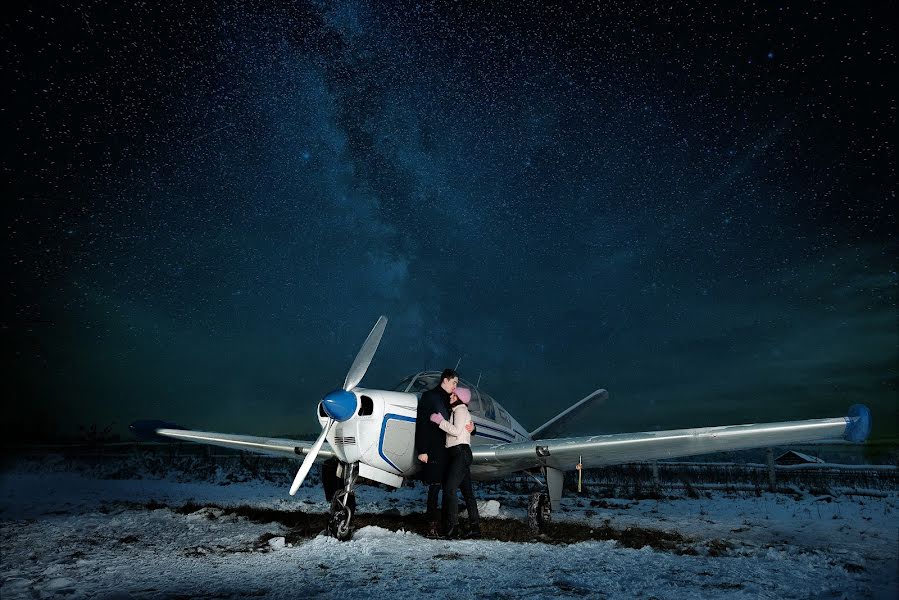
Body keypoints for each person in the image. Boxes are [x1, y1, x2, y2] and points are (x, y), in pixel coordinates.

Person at [430, 386, 481, 539]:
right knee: (468, 494)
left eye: (453, 395)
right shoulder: (459, 411)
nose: (450, 396)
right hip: (462, 454)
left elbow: (456, 431)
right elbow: (464, 429)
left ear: (459, 398)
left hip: (460, 454)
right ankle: (475, 529)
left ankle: (453, 529)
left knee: (449, 490)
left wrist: (440, 421)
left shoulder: (459, 410)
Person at [415, 368, 458, 538]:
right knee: (434, 488)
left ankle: (447, 525)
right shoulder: (430, 396)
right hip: (435, 450)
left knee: (448, 488)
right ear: (445, 380)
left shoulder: (453, 400)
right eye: (454, 382)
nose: (455, 386)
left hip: (450, 450)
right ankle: (432, 526)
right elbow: (422, 425)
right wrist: (422, 450)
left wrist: (473, 428)